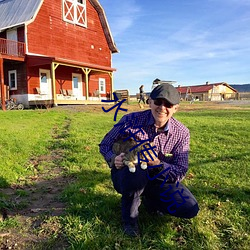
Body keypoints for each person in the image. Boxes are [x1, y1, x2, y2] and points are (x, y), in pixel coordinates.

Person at [99, 84, 199, 237]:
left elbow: (180, 170)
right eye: (158, 102)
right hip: (129, 173)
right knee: (136, 174)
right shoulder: (129, 120)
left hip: (159, 177)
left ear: (176, 108)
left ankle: (150, 200)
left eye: (168, 104)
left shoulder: (182, 133)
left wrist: (158, 164)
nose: (162, 108)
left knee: (189, 207)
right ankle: (130, 220)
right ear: (150, 102)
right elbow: (105, 144)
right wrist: (113, 159)